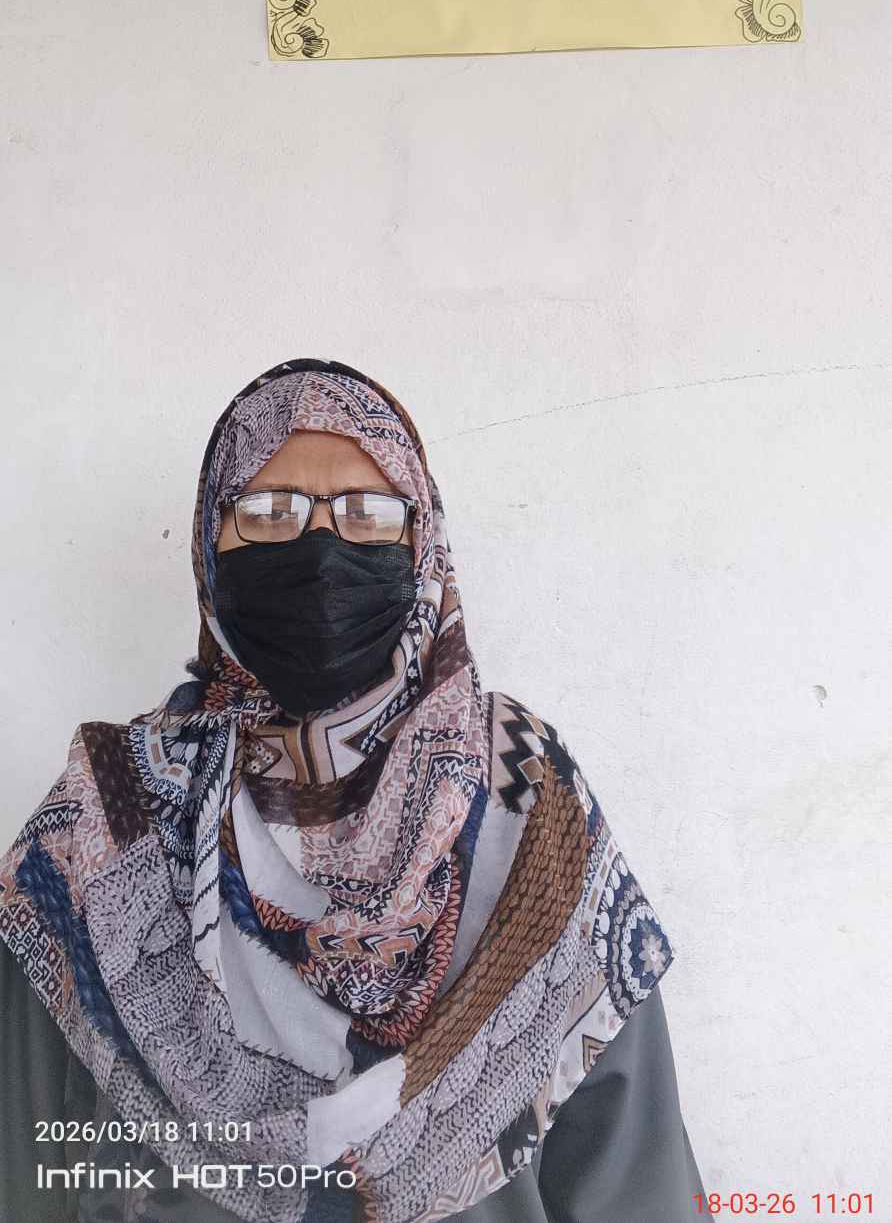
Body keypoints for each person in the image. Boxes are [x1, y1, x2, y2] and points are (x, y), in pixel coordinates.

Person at [0, 356, 706, 1221]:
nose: (321, 550)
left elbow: (634, 1178)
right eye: (269, 511)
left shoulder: (524, 801)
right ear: (210, 544)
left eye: (368, 513)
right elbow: (25, 1165)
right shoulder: (108, 818)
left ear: (423, 543)